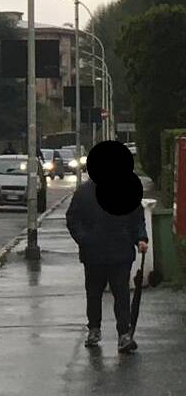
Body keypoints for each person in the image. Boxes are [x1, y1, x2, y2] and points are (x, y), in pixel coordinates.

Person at [66, 143, 149, 354]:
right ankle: (94, 328)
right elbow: (73, 219)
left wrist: (141, 238)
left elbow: (136, 217)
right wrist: (84, 239)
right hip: (94, 253)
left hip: (119, 252)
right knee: (94, 294)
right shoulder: (84, 193)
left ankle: (123, 334)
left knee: (121, 294)